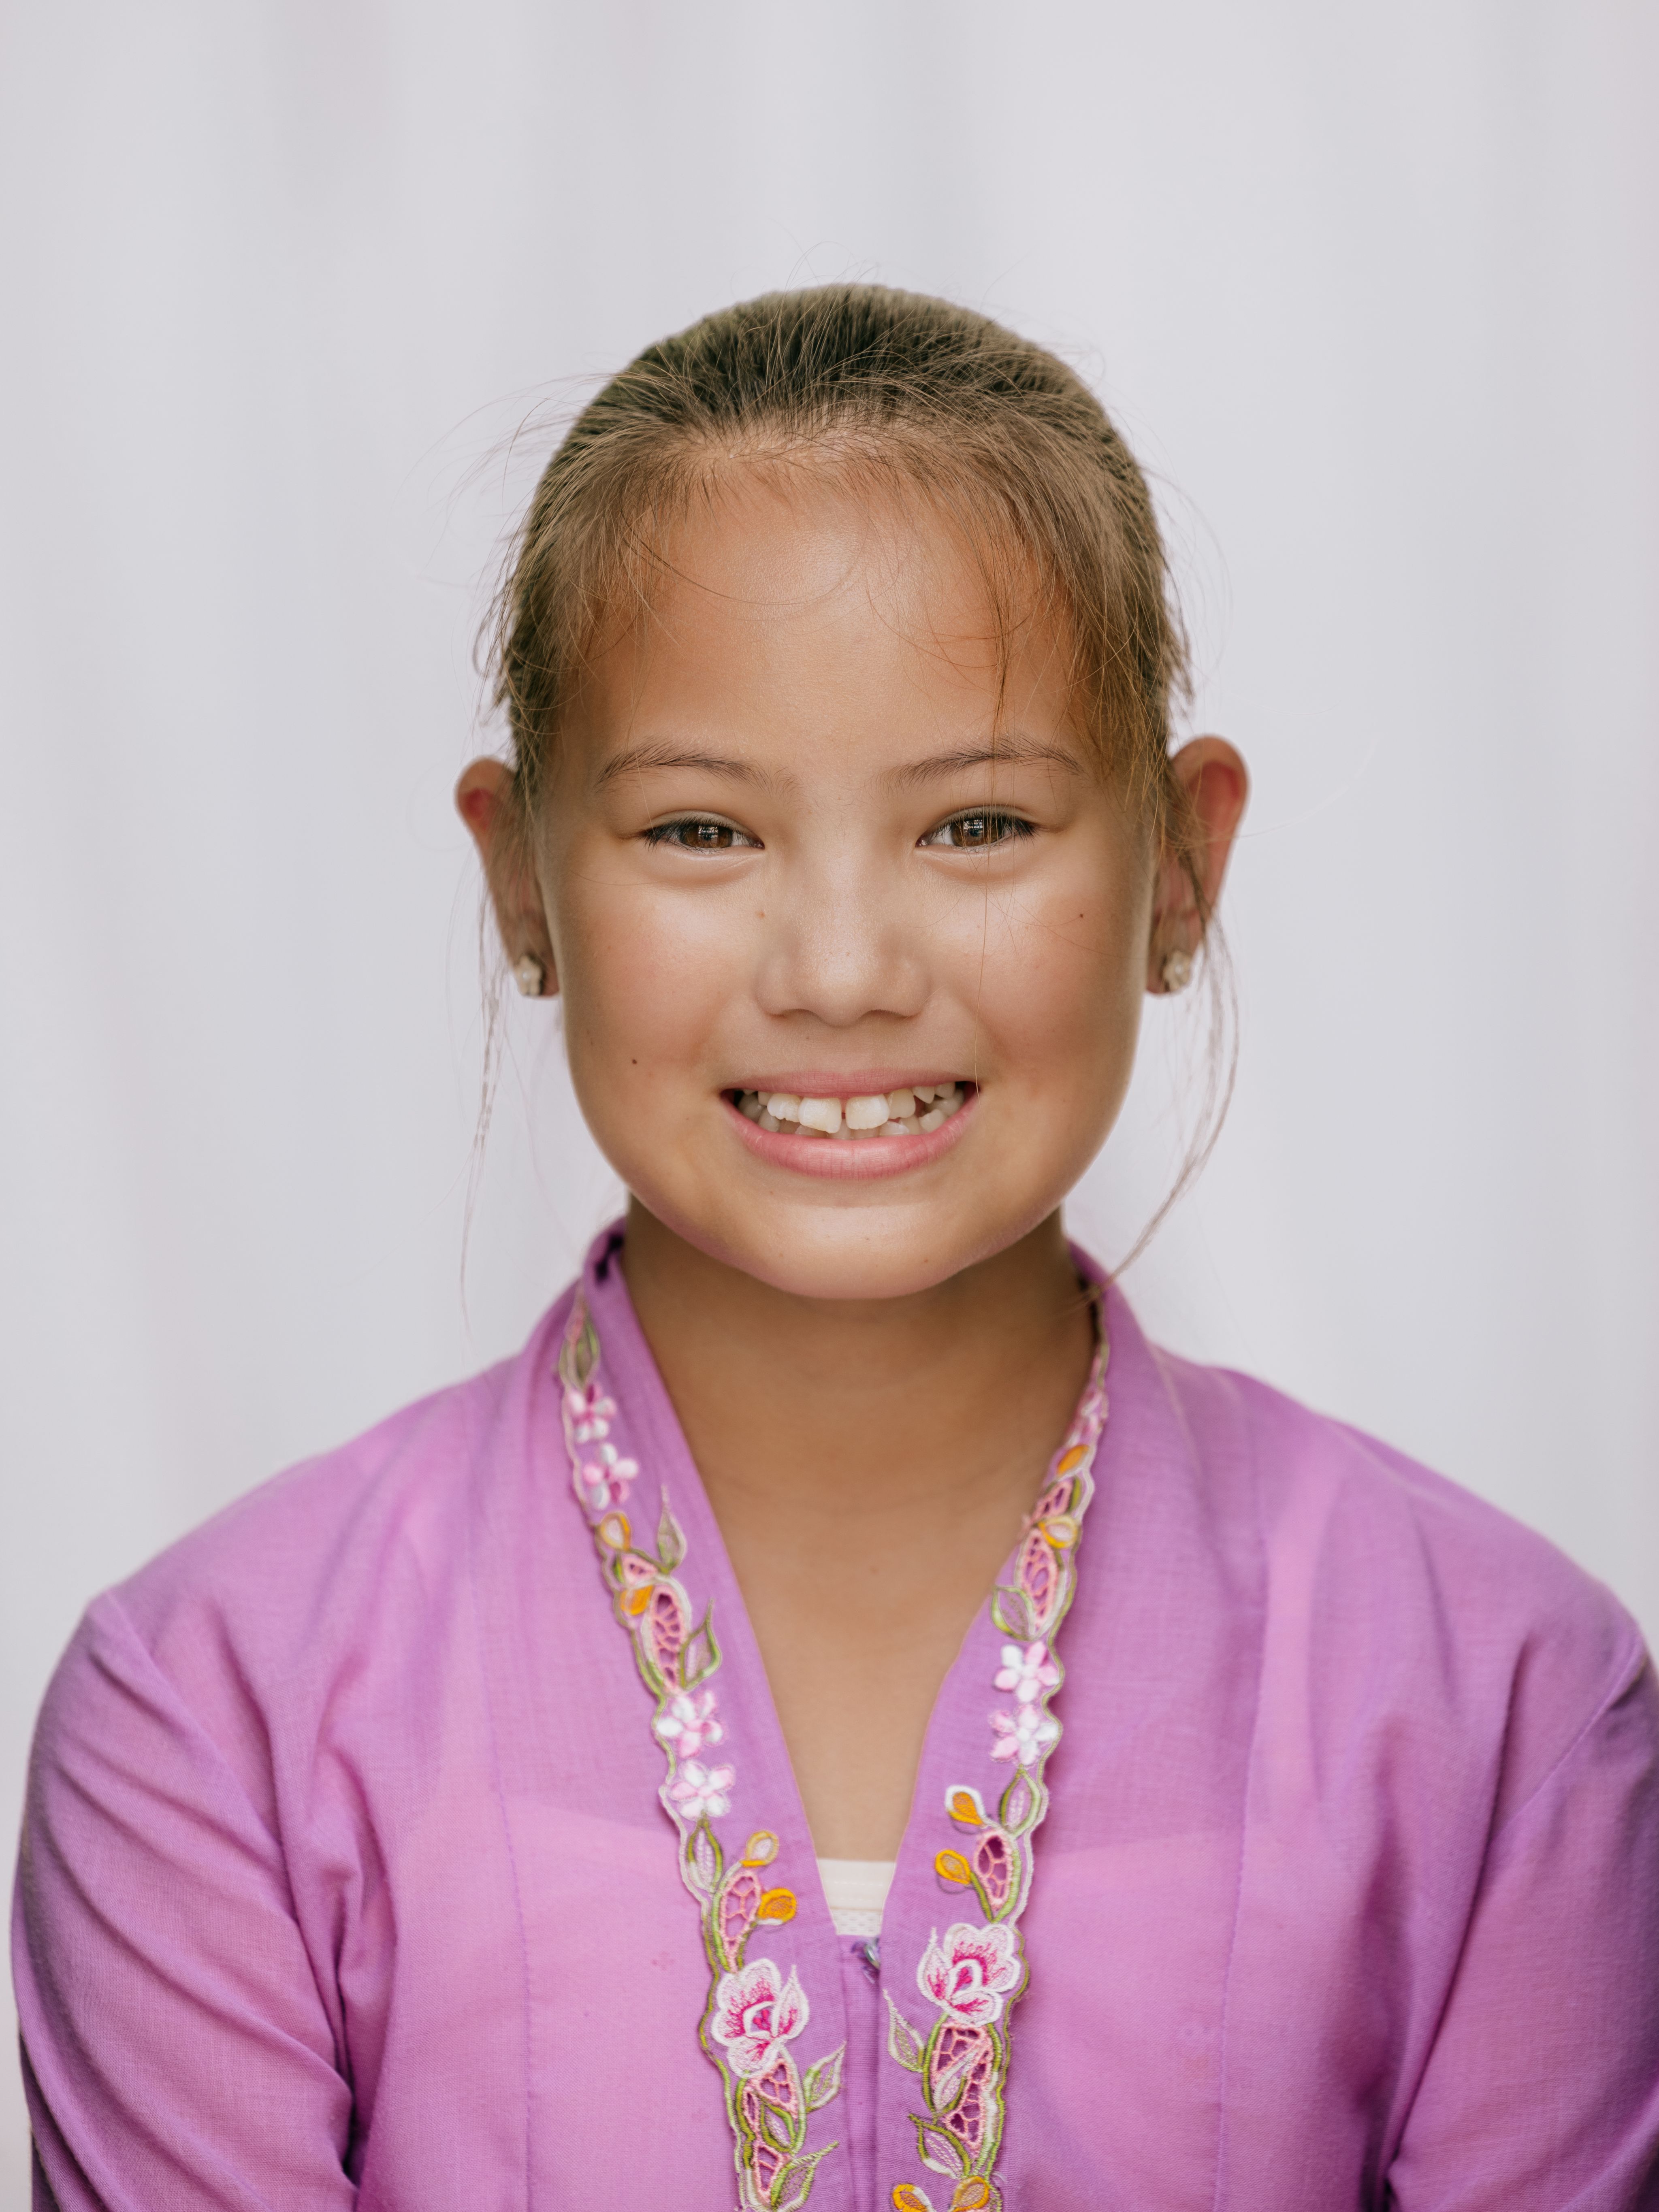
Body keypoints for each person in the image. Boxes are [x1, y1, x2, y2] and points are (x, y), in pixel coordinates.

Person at [13, 286, 1659, 2212]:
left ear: (1181, 865)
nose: (844, 970)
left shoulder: (1500, 1705)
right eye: (701, 834)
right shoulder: (213, 1719)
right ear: (521, 879)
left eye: (978, 824)